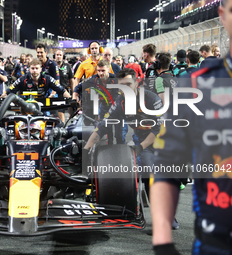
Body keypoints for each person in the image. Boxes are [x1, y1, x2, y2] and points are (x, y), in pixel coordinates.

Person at [151, 1, 232, 254]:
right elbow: (167, 165)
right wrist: (163, 241)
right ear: (223, 16)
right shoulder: (194, 85)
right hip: (216, 242)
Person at [84, 68, 162, 199]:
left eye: (128, 84)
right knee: (148, 172)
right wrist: (86, 148)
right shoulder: (119, 103)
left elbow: (159, 129)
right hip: (142, 139)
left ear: (136, 83)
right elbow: (103, 126)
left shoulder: (151, 99)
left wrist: (140, 147)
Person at [1, 59, 71, 99]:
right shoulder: (22, 80)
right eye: (32, 68)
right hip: (25, 106)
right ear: (29, 69)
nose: (34, 70)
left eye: (37, 68)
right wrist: (0, 99)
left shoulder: (48, 79)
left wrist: (72, 100)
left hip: (44, 106)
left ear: (40, 69)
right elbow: (7, 92)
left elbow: (62, 91)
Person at [55, 49, 74, 123]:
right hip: (52, 92)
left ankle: (62, 128)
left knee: (61, 112)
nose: (59, 56)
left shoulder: (67, 66)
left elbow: (71, 80)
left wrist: (73, 93)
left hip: (63, 92)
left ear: (63, 56)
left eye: (60, 55)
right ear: (54, 56)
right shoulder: (51, 66)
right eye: (57, 55)